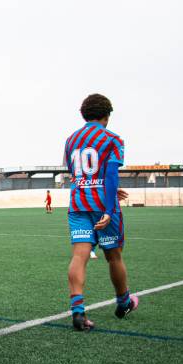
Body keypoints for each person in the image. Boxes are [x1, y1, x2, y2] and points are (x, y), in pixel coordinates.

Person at [64, 93, 137, 331]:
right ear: (107, 116)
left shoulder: (71, 140)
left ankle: (77, 311)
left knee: (79, 256)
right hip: (102, 208)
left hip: (78, 204)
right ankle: (124, 302)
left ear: (84, 115)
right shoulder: (112, 139)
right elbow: (111, 174)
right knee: (113, 255)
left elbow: (78, 174)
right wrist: (108, 206)